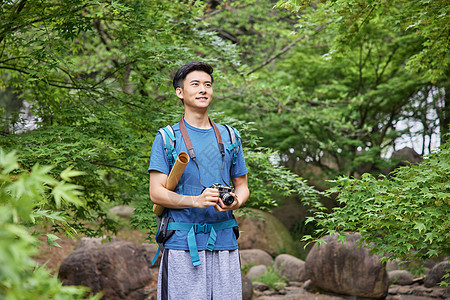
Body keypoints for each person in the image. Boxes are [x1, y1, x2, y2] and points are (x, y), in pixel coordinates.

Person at [148, 61, 250, 300]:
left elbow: (242, 186)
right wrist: (196, 200)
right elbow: (156, 193)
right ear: (180, 92)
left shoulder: (230, 136)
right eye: (195, 84)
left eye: (208, 84)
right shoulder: (167, 137)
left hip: (224, 241)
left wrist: (235, 202)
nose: (203, 89)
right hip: (183, 243)